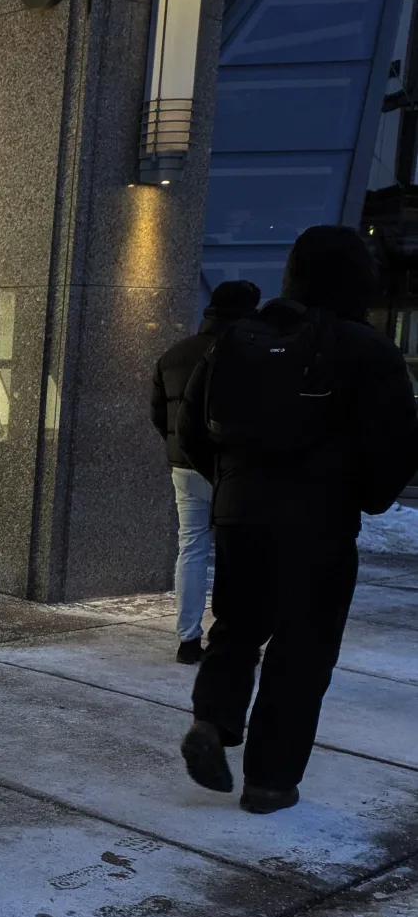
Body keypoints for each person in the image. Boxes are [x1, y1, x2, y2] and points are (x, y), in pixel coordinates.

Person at [176, 225, 418, 814]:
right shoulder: (367, 350)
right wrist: (364, 495)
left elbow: (191, 431)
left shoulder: (238, 339)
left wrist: (234, 484)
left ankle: (213, 721)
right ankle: (270, 782)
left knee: (235, 627)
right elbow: (394, 449)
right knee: (302, 652)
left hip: (239, 516)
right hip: (320, 526)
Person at [151, 280, 262, 664]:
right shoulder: (248, 354)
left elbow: (158, 415)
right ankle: (226, 634)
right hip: (231, 469)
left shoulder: (173, 355)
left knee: (191, 547)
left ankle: (186, 640)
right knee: (237, 552)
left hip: (183, 466)